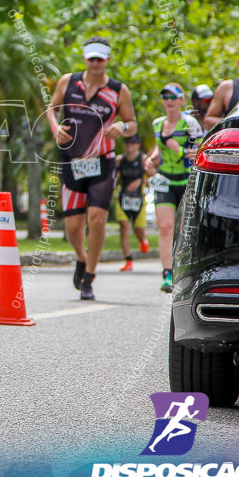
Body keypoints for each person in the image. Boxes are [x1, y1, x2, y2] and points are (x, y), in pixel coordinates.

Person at [47, 37, 137, 300]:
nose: (96, 63)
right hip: (72, 162)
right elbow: (52, 109)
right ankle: (81, 258)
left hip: (102, 162)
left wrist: (122, 127)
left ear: (108, 59)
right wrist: (55, 128)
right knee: (73, 228)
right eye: (91, 58)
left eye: (100, 58)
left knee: (96, 220)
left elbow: (132, 123)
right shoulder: (68, 81)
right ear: (84, 58)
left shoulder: (118, 90)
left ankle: (89, 276)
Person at [144, 83, 202, 293]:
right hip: (165, 180)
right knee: (166, 226)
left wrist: (180, 151)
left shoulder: (190, 124)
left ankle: (184, 271)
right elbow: (157, 150)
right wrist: (151, 160)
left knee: (183, 228)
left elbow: (199, 152)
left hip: (186, 180)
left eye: (172, 97)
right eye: (165, 97)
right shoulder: (157, 124)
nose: (168, 101)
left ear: (181, 100)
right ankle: (167, 274)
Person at [112, 134, 149, 272]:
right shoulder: (120, 160)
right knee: (124, 227)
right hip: (123, 198)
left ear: (138, 145)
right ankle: (128, 260)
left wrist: (140, 181)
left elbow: (151, 176)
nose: (129, 146)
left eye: (132, 143)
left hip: (139, 199)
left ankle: (142, 241)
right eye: (127, 143)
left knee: (138, 230)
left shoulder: (143, 160)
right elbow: (115, 177)